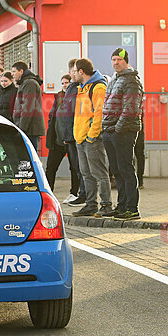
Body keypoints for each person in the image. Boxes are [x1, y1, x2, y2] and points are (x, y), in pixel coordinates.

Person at [101, 48, 144, 219]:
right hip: (110, 130)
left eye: (119, 59)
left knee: (126, 169)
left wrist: (118, 129)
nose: (116, 62)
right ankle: (121, 206)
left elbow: (130, 109)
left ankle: (132, 208)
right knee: (117, 171)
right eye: (113, 59)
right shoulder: (114, 80)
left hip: (123, 131)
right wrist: (106, 128)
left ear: (126, 61)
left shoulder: (132, 81)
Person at [72, 58, 112, 217]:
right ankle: (90, 204)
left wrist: (91, 136)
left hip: (91, 139)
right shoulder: (82, 87)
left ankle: (106, 205)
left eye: (74, 71)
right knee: (86, 174)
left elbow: (99, 114)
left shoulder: (98, 87)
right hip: (81, 138)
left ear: (81, 71)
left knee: (99, 173)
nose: (73, 74)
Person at [45, 74, 81, 196]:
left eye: (67, 82)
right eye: (63, 83)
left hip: (71, 139)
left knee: (75, 168)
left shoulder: (75, 97)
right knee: (50, 168)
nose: (65, 85)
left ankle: (74, 193)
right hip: (57, 140)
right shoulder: (59, 97)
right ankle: (48, 192)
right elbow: (52, 117)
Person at [62, 59, 86, 207]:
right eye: (72, 70)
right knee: (76, 167)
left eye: (74, 71)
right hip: (70, 134)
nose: (73, 73)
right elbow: (67, 113)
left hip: (77, 133)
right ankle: (80, 194)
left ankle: (84, 195)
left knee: (81, 167)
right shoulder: (72, 87)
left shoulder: (79, 88)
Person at [11, 61, 46, 154]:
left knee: (30, 157)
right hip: (28, 128)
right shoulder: (25, 83)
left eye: (14, 71)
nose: (12, 74)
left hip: (30, 129)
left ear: (21, 71)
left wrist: (22, 129)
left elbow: (27, 108)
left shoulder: (29, 83)